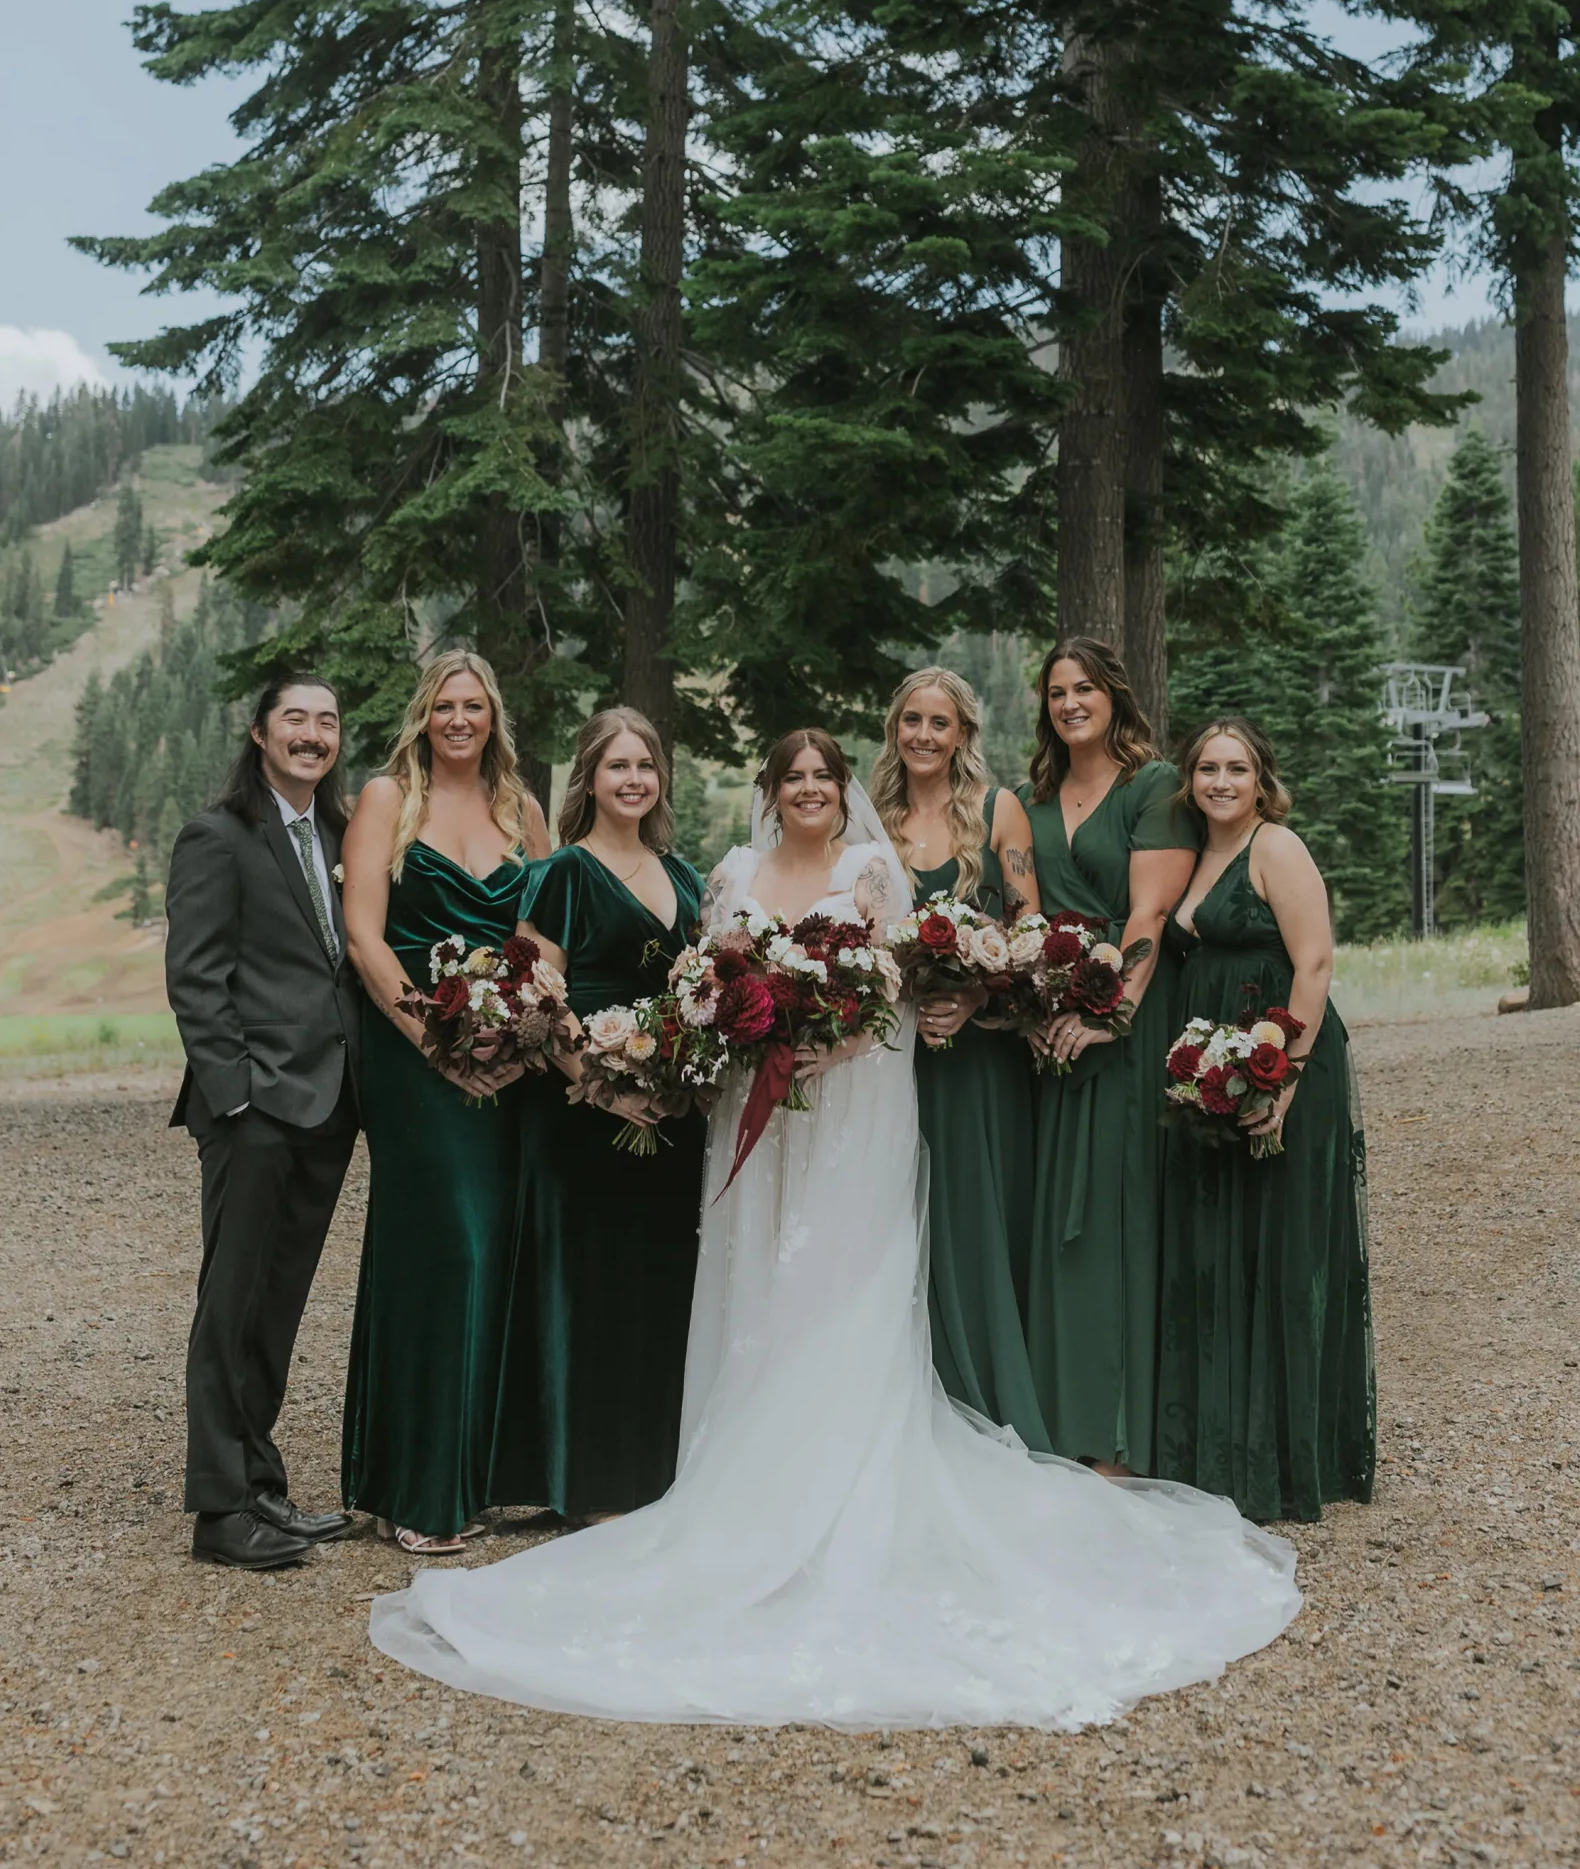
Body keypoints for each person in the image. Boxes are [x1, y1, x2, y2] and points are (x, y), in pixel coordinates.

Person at [366, 730, 1300, 1730]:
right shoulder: (731, 873)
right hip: (753, 1116)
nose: (808, 790)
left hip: (850, 1109)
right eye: (793, 779)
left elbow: (892, 986)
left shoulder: (869, 872)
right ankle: (741, 1475)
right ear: (770, 792)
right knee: (758, 1279)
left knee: (840, 1281)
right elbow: (706, 985)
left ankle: (837, 1480)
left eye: (824, 777)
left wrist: (834, 1044)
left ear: (841, 791)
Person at [341, 651, 549, 1555]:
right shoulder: (388, 800)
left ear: (493, 716)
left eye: (473, 706)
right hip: (413, 1061)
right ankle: (413, 1488)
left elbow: (541, 938)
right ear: (423, 716)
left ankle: (478, 1477)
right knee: (440, 1253)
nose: (459, 720)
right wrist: (433, 1040)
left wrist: (519, 1032)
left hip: (505, 1065)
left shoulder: (523, 809)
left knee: (498, 1252)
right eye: (443, 706)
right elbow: (364, 936)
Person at [1156, 719, 1375, 1522]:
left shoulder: (1275, 847)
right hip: (1214, 1071)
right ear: (1190, 778)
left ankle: (1286, 1460)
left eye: (1236, 768)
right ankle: (1217, 1448)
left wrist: (1286, 1074)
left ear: (1260, 780)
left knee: (1280, 1249)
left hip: (1282, 1059)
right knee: (1219, 1246)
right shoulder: (1192, 852)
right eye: (1207, 768)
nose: (1220, 781)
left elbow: (1314, 961)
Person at [166, 673, 362, 1570]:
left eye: (327, 722)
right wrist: (236, 1095)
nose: (312, 734)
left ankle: (260, 1486)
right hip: (254, 1112)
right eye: (295, 719)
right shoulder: (217, 836)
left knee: (277, 1307)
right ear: (260, 733)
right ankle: (219, 1511)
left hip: (329, 1104)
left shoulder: (340, 834)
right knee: (231, 1305)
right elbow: (196, 977)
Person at [501, 707, 706, 1520]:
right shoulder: (560, 875)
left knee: (659, 1287)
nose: (634, 780)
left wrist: (677, 1074)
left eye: (645, 766)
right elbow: (535, 998)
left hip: (672, 1111)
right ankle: (584, 1483)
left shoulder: (684, 877)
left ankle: (653, 1475)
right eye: (618, 766)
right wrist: (603, 1083)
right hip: (581, 1112)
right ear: (588, 778)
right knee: (590, 1289)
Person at [1017, 638, 1198, 1476]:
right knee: (1062, 1218)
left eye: (1085, 688)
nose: (1070, 703)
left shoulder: (1151, 786)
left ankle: (1119, 1437)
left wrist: (1112, 1016)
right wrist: (1030, 1009)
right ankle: (1062, 1423)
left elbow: (1149, 914)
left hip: (1125, 1021)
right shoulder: (1035, 797)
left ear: (1115, 696)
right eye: (1057, 692)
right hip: (1052, 1021)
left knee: (1115, 1216)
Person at [867, 668, 1050, 1446]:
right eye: (912, 720)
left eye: (939, 723)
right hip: (891, 1055)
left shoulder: (997, 810)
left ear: (963, 733)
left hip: (976, 1058)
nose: (924, 735)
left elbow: (1031, 926)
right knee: (896, 1217)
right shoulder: (870, 819)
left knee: (971, 1216)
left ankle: (985, 1397)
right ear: (895, 729)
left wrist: (976, 993)